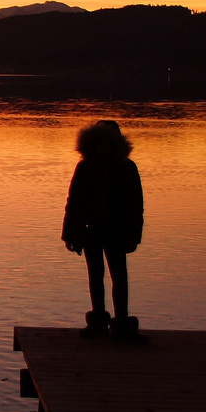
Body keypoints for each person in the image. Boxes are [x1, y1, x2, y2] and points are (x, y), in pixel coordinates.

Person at [61, 120, 145, 342]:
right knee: (95, 275)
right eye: (99, 143)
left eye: (107, 143)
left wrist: (134, 236)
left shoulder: (127, 168)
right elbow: (74, 201)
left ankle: (121, 324)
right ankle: (98, 321)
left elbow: (136, 206)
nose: (103, 148)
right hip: (91, 230)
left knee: (119, 277)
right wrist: (68, 233)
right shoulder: (85, 167)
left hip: (117, 231)